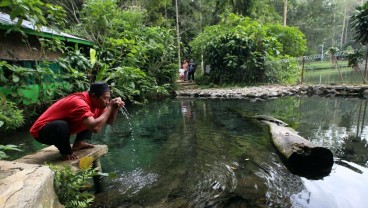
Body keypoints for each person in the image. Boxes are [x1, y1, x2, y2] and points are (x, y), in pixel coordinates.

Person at [29, 82, 125, 160]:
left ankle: (78, 143)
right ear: (94, 96)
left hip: (61, 129)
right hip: (41, 132)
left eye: (109, 98)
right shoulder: (80, 102)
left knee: (89, 118)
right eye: (105, 98)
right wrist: (110, 107)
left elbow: (109, 121)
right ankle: (66, 152)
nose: (107, 101)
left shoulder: (98, 103)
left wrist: (114, 108)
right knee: (62, 125)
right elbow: (95, 128)